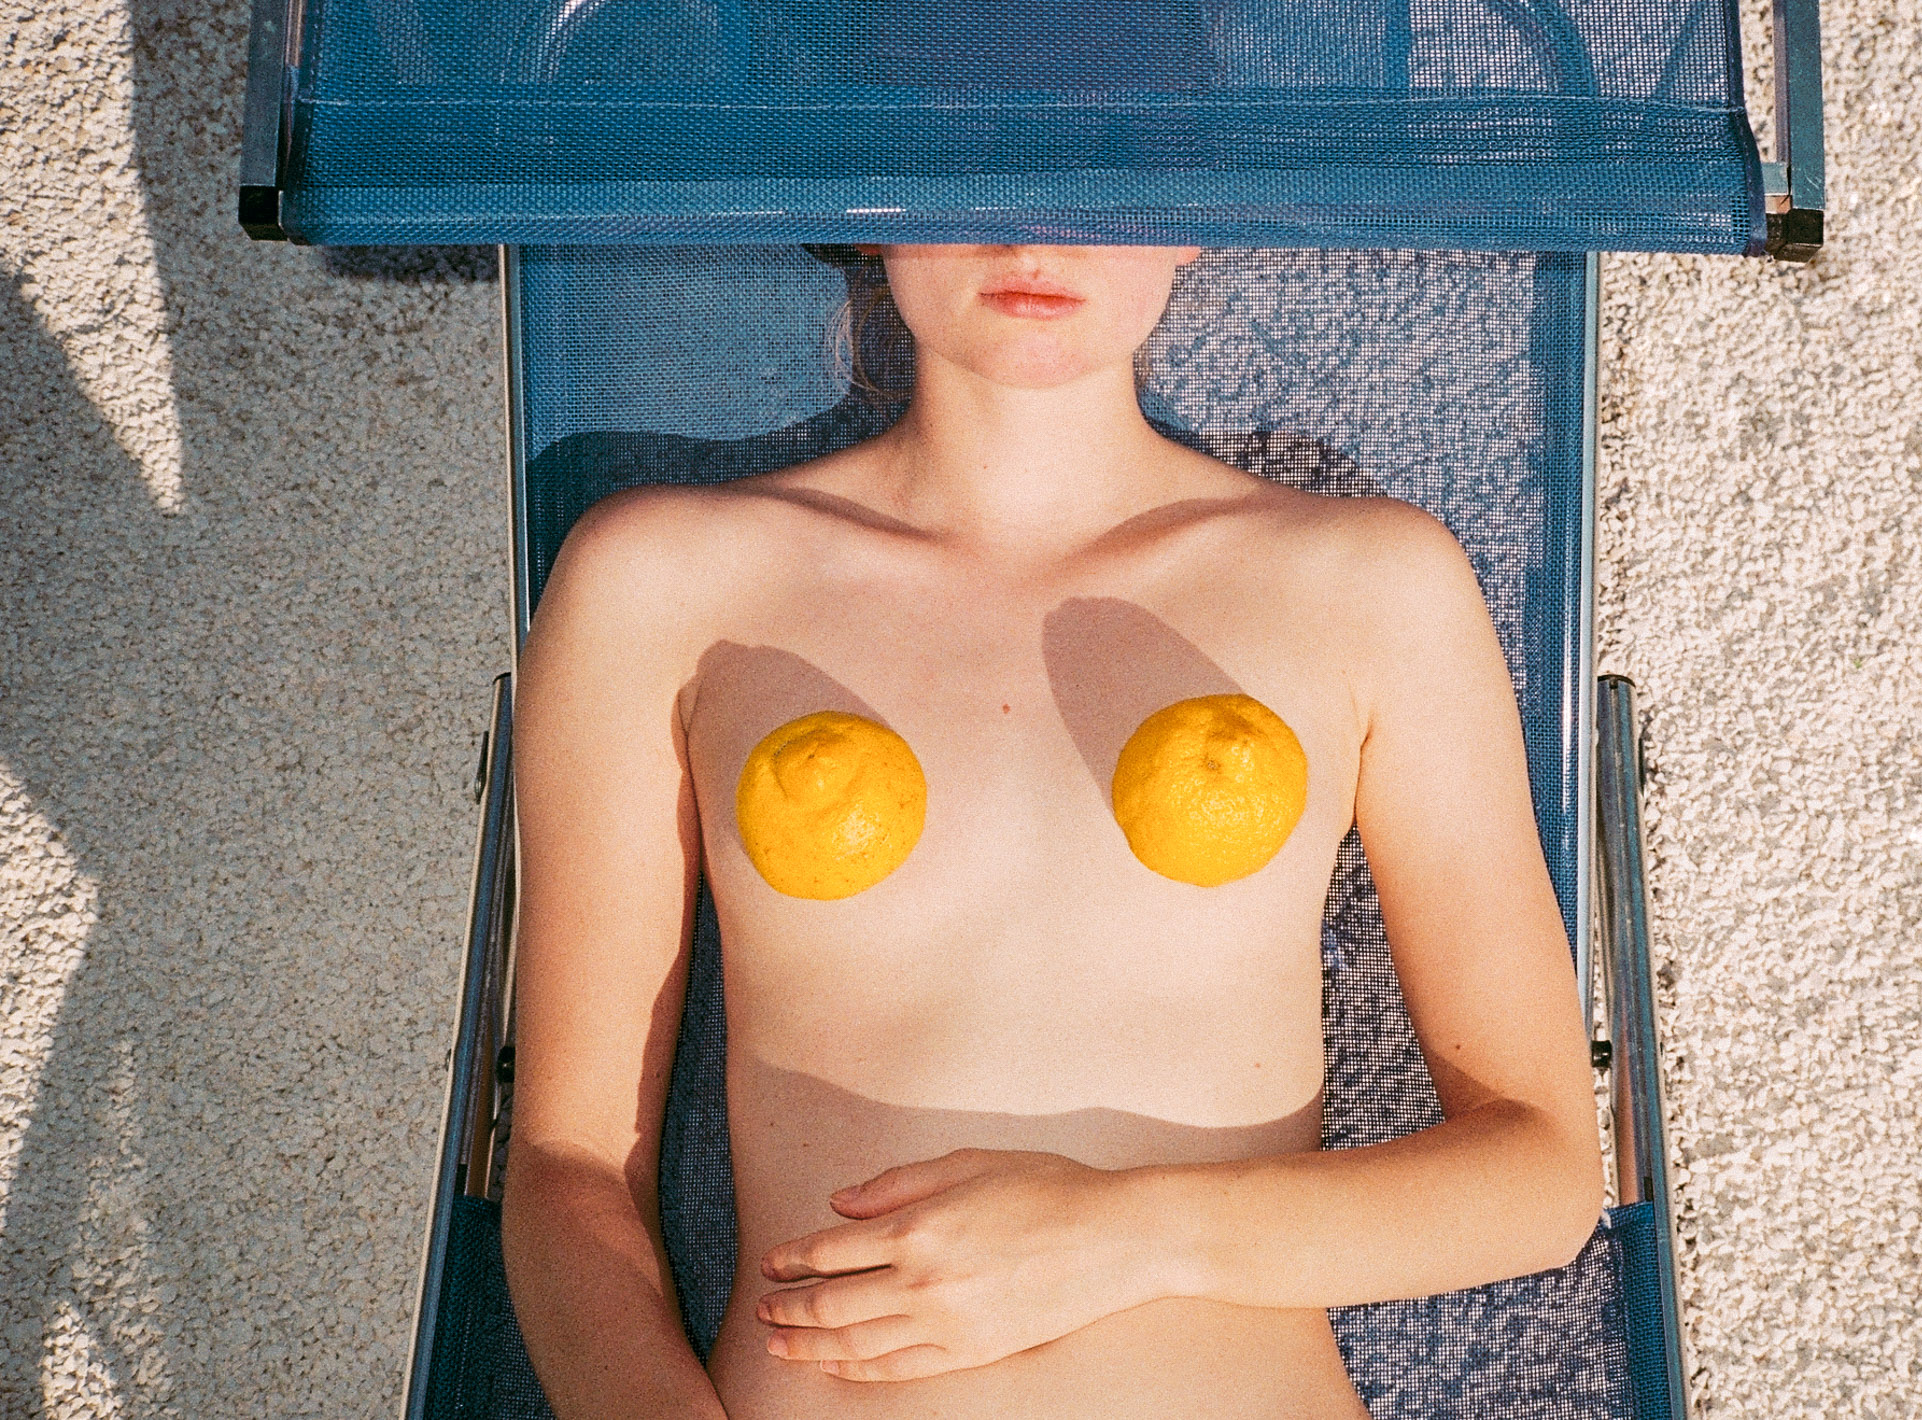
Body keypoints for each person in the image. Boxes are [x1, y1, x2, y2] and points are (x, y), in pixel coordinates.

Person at [501, 243, 1603, 1420]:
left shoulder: (1366, 584)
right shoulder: (664, 580)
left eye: (1100, 179)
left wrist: (1120, 1235)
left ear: (1187, 212)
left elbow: (1542, 1169)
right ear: (876, 198)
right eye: (976, 171)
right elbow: (569, 1163)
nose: (1032, 239)